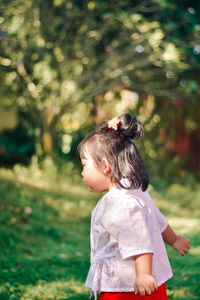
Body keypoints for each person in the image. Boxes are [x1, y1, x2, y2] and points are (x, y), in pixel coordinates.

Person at [77, 114, 190, 300]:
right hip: (147, 285)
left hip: (128, 289)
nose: (82, 172)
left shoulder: (122, 203)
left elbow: (139, 239)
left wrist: (143, 274)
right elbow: (157, 220)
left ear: (104, 165)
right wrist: (174, 239)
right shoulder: (135, 191)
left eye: (84, 165)